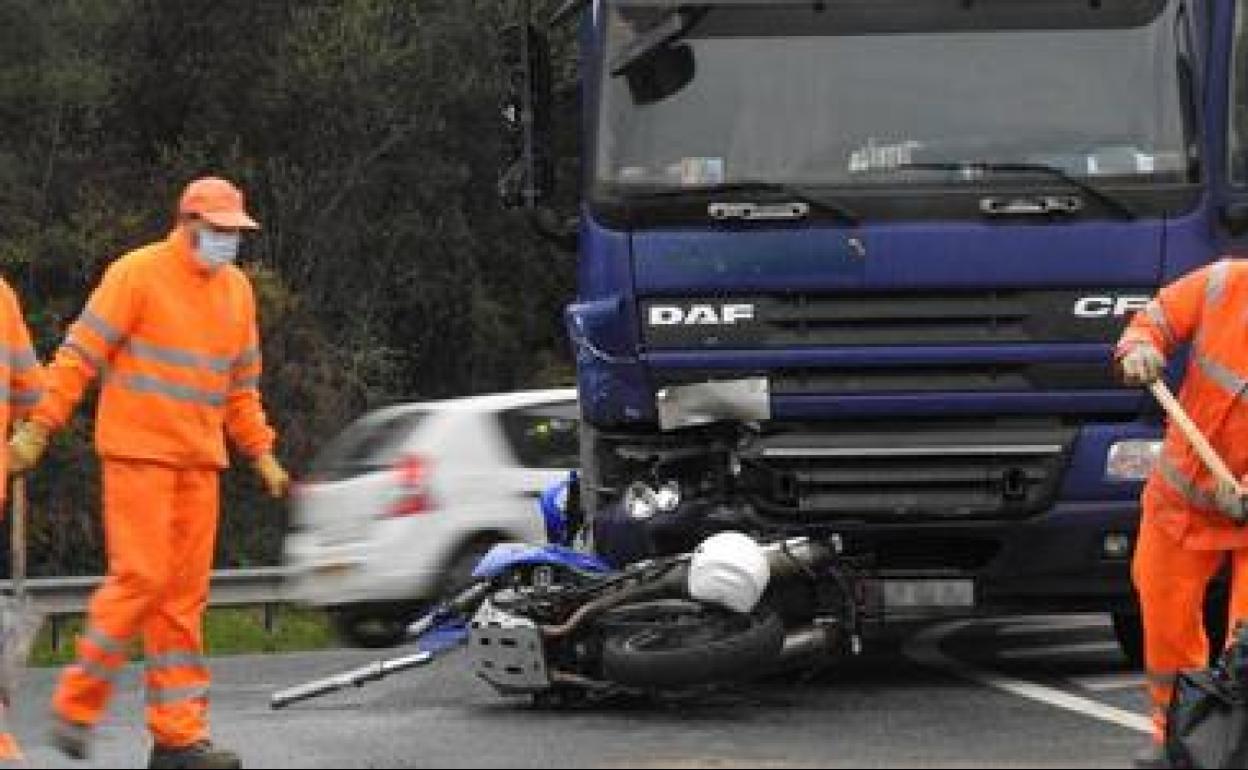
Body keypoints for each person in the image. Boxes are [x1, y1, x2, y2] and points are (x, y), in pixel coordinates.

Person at [8, 177, 291, 770]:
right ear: (187, 223)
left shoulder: (237, 294)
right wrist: (37, 430)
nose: (227, 243)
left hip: (199, 464)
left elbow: (241, 391)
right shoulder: (136, 274)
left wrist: (262, 453)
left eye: (234, 233)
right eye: (218, 231)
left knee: (182, 603)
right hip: (137, 457)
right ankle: (76, 707)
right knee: (140, 577)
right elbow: (78, 357)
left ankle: (178, 740)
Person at [1116, 258, 1248, 768]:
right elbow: (1155, 318)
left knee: (1245, 642)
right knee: (1165, 615)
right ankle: (1173, 735)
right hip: (1180, 504)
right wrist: (1140, 349)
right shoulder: (1224, 283)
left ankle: (1238, 741)